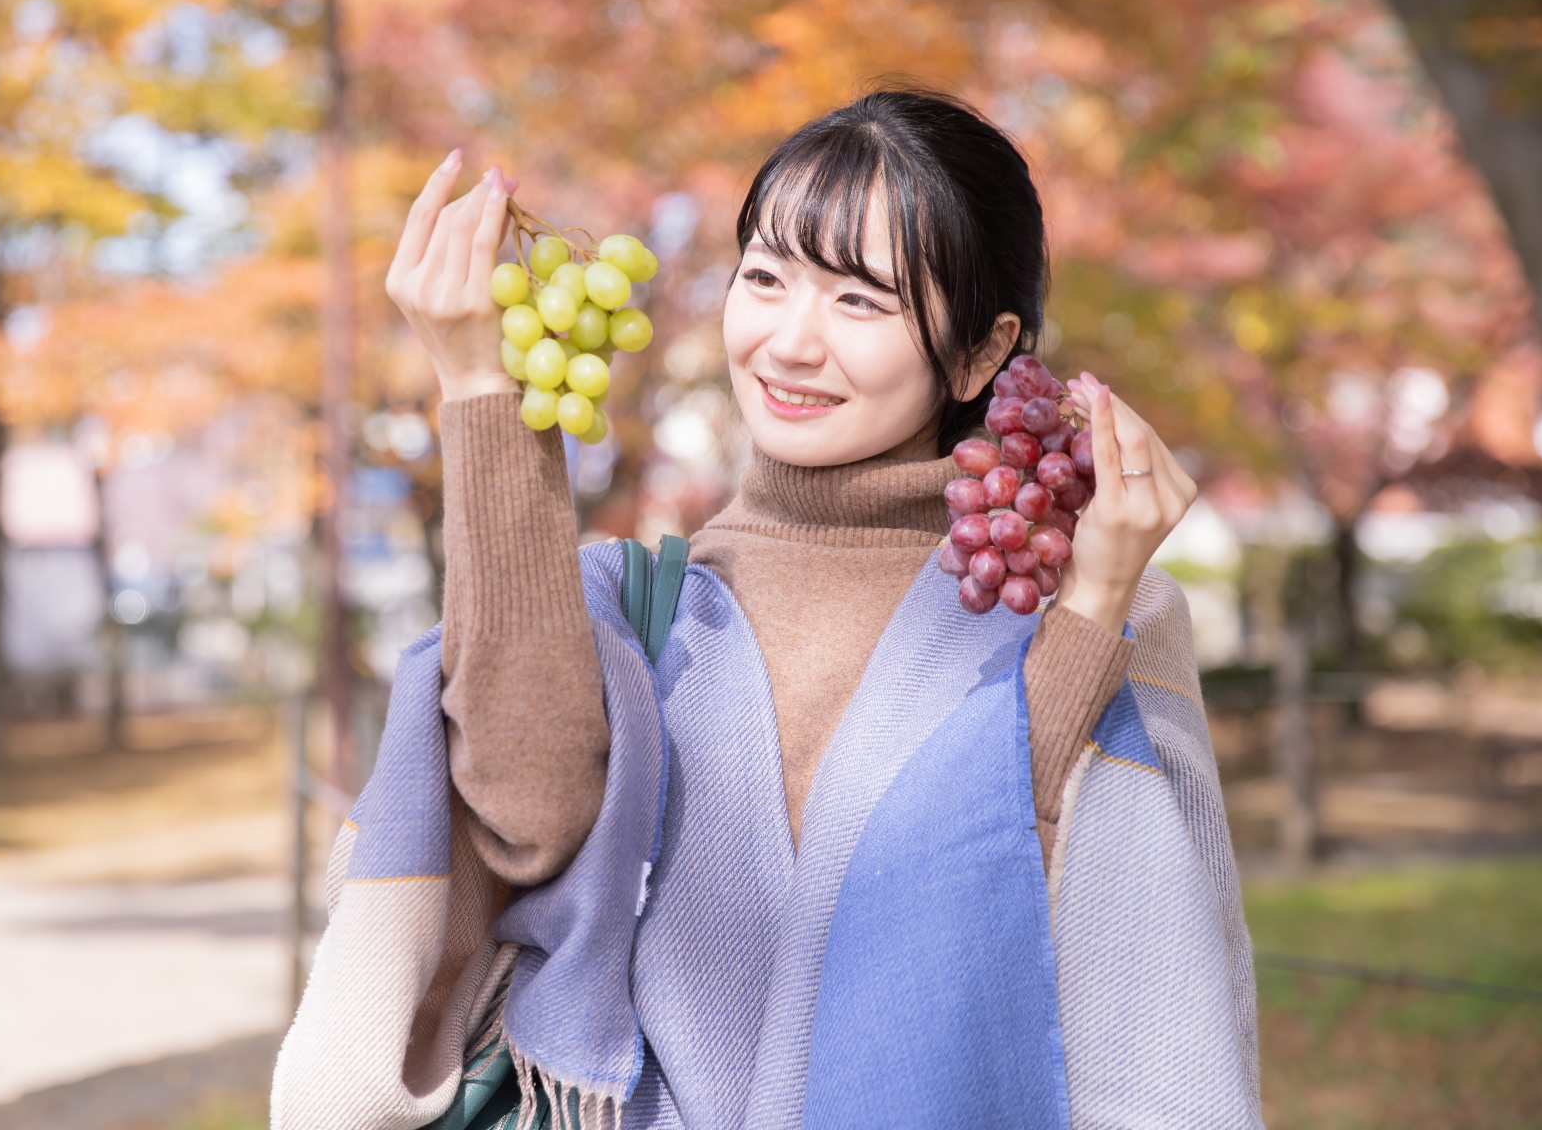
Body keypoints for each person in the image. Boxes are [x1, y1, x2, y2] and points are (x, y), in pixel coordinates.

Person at [273, 90, 1261, 1130]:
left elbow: (1032, 900)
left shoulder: (1082, 596)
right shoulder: (644, 603)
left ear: (980, 352)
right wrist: (480, 388)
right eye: (766, 277)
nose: (789, 342)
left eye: (859, 302)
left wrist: (1093, 607)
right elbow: (527, 812)